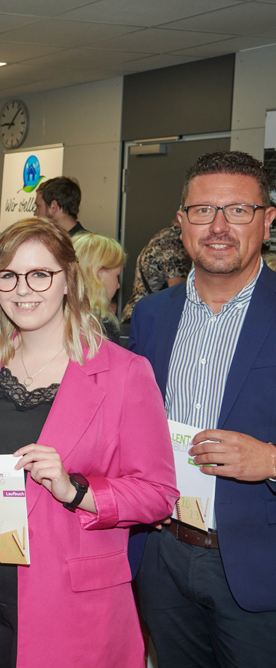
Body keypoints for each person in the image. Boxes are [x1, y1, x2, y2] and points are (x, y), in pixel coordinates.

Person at [0, 217, 177, 668]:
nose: (23, 289)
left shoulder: (124, 373)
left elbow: (158, 495)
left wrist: (74, 489)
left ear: (69, 280)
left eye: (40, 274)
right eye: (8, 275)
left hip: (70, 603)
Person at [129, 151, 276, 668]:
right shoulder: (150, 316)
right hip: (161, 556)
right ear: (180, 222)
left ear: (267, 218)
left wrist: (273, 462)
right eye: (202, 211)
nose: (218, 227)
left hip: (258, 566)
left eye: (237, 210)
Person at [121, 221, 191, 322]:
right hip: (150, 317)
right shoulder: (175, 242)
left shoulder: (164, 235)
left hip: (137, 312)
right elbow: (178, 293)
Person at [72, 233, 125, 344]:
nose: (118, 285)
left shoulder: (55, 319)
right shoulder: (102, 329)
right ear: (100, 273)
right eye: (117, 275)